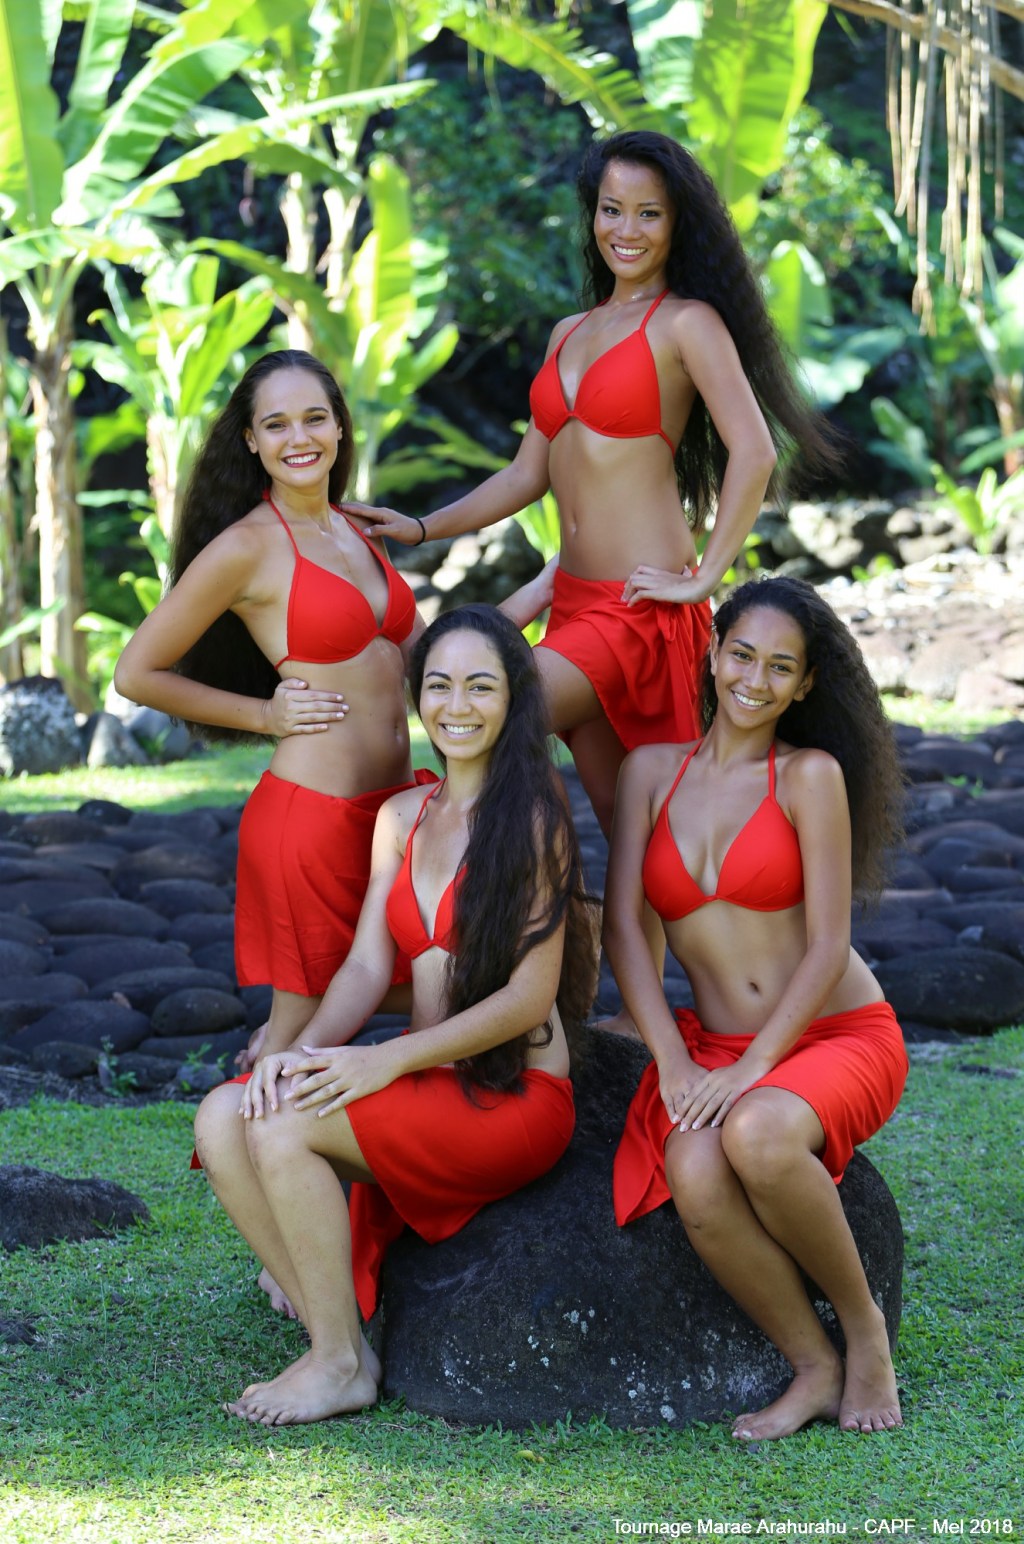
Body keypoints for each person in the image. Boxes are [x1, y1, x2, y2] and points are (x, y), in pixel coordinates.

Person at [347, 131, 837, 840]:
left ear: (678, 225)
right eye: (612, 210)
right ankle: (576, 932)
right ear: (592, 215)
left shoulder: (686, 324)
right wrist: (422, 527)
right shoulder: (568, 333)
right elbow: (526, 474)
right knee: (636, 834)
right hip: (573, 606)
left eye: (649, 214)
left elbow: (754, 452)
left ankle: (529, 907)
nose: (626, 230)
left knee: (493, 710)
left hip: (637, 609)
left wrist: (704, 582)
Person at [192, 605, 597, 1425]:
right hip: (425, 1082)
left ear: (514, 699)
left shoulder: (532, 820)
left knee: (282, 1127)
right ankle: (331, 1325)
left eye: (481, 686)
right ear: (418, 696)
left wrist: (383, 1061)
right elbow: (369, 964)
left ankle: (340, 1364)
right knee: (226, 1113)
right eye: (440, 684)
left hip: (510, 1099)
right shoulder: (402, 818)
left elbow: (526, 1001)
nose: (458, 705)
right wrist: (295, 1048)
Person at [114, 350, 552, 1067]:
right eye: (276, 424)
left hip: (394, 816)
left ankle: (333, 1146)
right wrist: (264, 716)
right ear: (251, 440)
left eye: (315, 418)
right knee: (304, 1020)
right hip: (311, 820)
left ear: (341, 428)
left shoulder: (357, 528)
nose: (300, 439)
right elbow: (137, 672)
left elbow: (437, 660)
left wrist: (542, 590)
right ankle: (244, 1153)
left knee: (425, 981)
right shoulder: (245, 547)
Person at [604, 575, 909, 1442]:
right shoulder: (649, 773)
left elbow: (826, 945)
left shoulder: (810, 776)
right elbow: (626, 926)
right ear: (713, 653)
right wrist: (671, 1058)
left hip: (835, 1033)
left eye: (782, 667)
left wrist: (749, 1069)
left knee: (756, 1135)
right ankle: (812, 1367)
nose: (755, 679)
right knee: (695, 1176)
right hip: (710, 1044)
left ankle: (865, 1333)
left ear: (805, 684)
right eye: (742, 654)